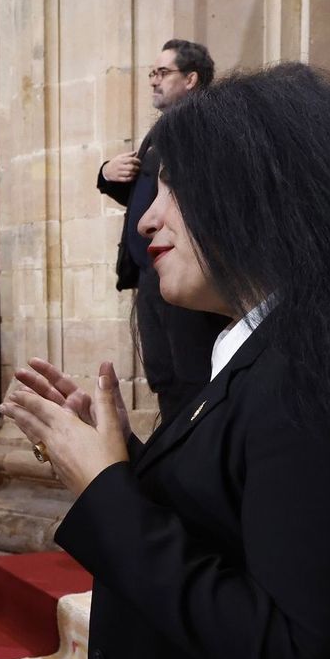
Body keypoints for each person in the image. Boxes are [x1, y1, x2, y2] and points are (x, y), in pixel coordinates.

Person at [0, 64, 330, 659]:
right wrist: (118, 469)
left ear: (256, 190)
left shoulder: (310, 371)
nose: (144, 217)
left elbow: (299, 656)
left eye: (171, 190)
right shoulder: (259, 347)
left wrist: (107, 491)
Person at [98, 38, 227, 423]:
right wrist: (107, 175)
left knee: (194, 378)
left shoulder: (209, 126)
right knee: (165, 377)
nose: (153, 81)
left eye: (162, 72)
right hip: (151, 274)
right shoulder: (161, 133)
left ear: (191, 78)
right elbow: (147, 198)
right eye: (152, 73)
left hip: (187, 270)